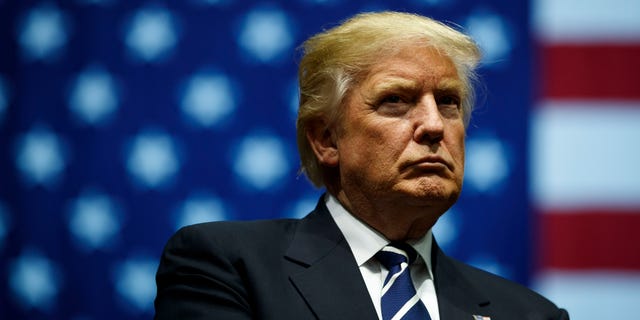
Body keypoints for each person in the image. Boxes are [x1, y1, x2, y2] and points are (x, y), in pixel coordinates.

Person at [154, 11, 569, 320]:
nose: (433, 125)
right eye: (396, 101)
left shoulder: (531, 314)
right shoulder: (226, 267)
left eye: (448, 102)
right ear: (327, 139)